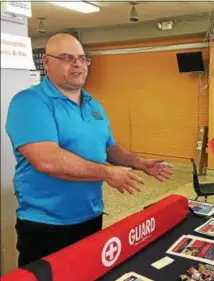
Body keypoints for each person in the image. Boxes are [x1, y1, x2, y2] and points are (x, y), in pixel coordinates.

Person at [5, 33, 173, 267]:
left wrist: (139, 162)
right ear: (45, 62)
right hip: (46, 225)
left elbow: (109, 146)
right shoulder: (29, 102)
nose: (77, 64)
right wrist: (107, 173)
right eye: (66, 57)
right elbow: (47, 160)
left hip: (90, 216)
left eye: (82, 58)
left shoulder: (94, 104)